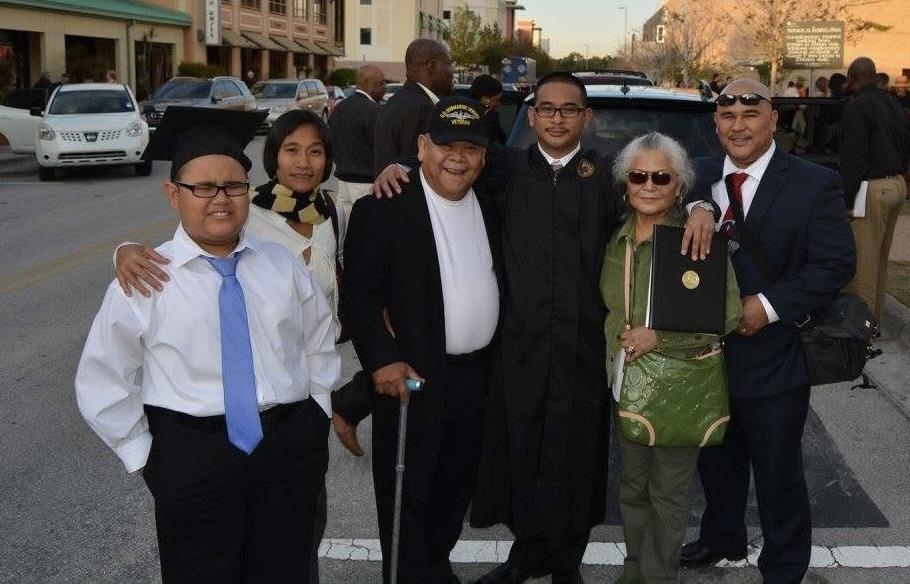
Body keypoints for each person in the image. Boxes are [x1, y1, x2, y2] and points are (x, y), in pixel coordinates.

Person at [376, 71, 718, 583]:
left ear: (586, 117)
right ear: (531, 116)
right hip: (519, 347)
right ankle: (525, 556)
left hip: (585, 348)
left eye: (569, 109)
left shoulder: (606, 175)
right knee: (521, 453)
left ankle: (566, 562)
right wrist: (400, 166)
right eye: (547, 108)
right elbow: (450, 162)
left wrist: (702, 206)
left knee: (579, 459)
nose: (558, 118)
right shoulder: (506, 168)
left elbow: (673, 182)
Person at [75, 107, 341, 583]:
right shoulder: (146, 278)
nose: (220, 199)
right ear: (173, 194)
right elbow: (104, 375)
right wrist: (144, 456)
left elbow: (318, 341)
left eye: (233, 186)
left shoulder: (281, 265)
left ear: (247, 191)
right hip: (192, 459)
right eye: (203, 188)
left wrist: (316, 414)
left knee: (285, 570)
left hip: (286, 451)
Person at [679, 78, 855, 584]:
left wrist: (769, 305)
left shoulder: (812, 182)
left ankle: (783, 565)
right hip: (707, 354)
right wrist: (698, 205)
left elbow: (835, 263)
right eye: (728, 117)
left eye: (750, 116)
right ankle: (722, 537)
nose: (739, 127)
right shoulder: (698, 175)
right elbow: (663, 186)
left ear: (773, 120)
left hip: (775, 353)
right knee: (716, 458)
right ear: (716, 123)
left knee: (778, 471)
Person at [344, 95, 501, 584]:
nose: (458, 158)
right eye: (446, 146)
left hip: (476, 377)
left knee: (454, 488)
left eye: (470, 149)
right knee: (407, 495)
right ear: (422, 146)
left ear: (484, 156)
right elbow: (360, 297)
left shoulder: (493, 200)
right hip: (412, 377)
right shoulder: (382, 208)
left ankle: (435, 568)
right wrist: (382, 361)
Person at [603, 132, 741, 584]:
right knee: (632, 488)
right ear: (625, 181)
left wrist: (659, 338)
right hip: (625, 384)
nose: (648, 185)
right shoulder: (615, 237)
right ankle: (634, 568)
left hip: (680, 388)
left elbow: (728, 314)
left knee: (668, 493)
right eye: (638, 176)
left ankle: (658, 576)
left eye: (661, 177)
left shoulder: (696, 238)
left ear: (679, 186)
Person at [839, 57, 909, 322]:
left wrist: (845, 199)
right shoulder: (893, 103)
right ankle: (874, 324)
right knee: (880, 263)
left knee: (864, 267)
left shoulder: (857, 106)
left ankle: (861, 329)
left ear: (853, 78)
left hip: (873, 188)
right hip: (898, 185)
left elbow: (853, 159)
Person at [328, 64, 386, 255]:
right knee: (367, 239)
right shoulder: (374, 111)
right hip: (366, 186)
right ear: (369, 85)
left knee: (343, 239)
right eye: (381, 83)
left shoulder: (339, 108)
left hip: (343, 184)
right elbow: (382, 149)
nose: (385, 88)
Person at [373, 38, 454, 172]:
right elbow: (415, 166)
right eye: (449, 64)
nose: (452, 72)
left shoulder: (397, 100)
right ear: (432, 66)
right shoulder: (422, 108)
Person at [470, 74, 508, 145]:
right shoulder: (491, 116)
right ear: (484, 99)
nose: (499, 104)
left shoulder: (460, 114)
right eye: (497, 100)